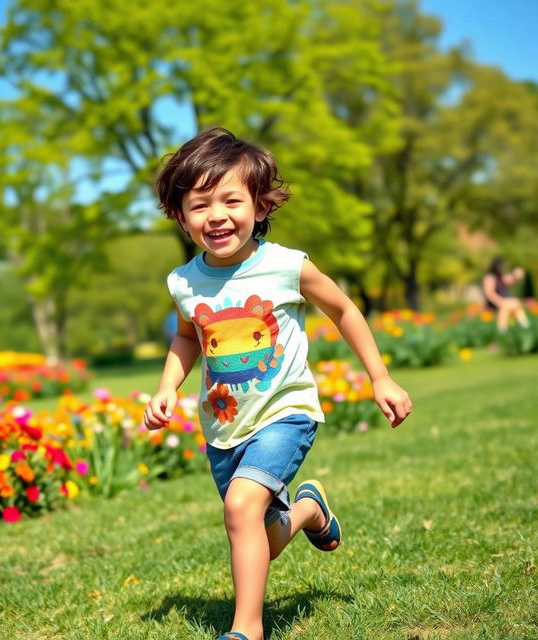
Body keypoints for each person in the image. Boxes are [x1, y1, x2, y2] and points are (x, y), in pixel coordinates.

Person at [143, 128, 412, 640]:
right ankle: (309, 508)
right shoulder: (183, 282)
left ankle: (247, 629)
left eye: (230, 200)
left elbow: (342, 308)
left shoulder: (287, 266)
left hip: (285, 413)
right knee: (257, 532)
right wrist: (166, 389)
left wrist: (380, 377)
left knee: (240, 508)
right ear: (180, 216)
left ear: (261, 206)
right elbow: (187, 338)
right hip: (224, 425)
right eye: (199, 205)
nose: (216, 215)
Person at [482, 257, 530, 332]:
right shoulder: (490, 278)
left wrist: (516, 276)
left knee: (515, 305)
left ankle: (524, 327)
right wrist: (502, 302)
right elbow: (489, 294)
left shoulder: (502, 277)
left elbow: (512, 280)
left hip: (504, 302)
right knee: (507, 306)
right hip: (493, 303)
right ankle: (503, 330)